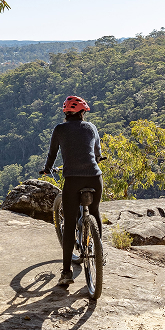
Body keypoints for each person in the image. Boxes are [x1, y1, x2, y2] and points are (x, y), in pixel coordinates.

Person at [42, 95, 103, 287]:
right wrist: (97, 159)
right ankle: (98, 253)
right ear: (83, 113)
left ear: (66, 114)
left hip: (72, 180)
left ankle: (67, 272)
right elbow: (97, 152)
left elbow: (52, 154)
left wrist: (47, 168)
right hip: (95, 177)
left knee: (69, 223)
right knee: (94, 211)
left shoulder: (60, 129)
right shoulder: (91, 127)